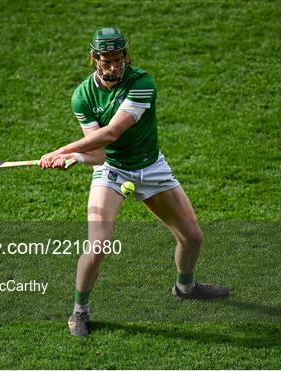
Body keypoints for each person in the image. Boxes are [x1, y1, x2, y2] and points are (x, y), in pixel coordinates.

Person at [39, 27, 229, 336]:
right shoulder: (83, 97)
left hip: (151, 167)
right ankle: (79, 312)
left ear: (125, 56)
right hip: (113, 170)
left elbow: (113, 133)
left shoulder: (141, 83)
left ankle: (185, 287)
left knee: (192, 237)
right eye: (106, 61)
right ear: (93, 59)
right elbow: (100, 154)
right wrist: (76, 159)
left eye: (118, 60)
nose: (113, 67)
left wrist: (64, 150)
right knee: (98, 246)